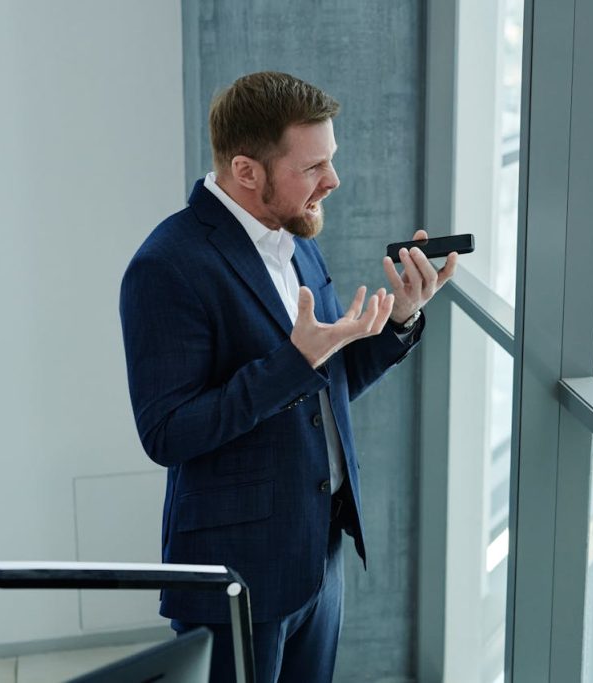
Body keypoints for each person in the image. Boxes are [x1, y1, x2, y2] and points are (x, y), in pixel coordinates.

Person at [119, 71, 456, 682]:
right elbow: (167, 433)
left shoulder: (295, 238)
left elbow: (317, 386)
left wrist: (400, 319)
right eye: (313, 167)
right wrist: (293, 362)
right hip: (237, 572)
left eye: (331, 160)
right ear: (247, 171)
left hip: (318, 554)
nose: (332, 181)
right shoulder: (165, 266)